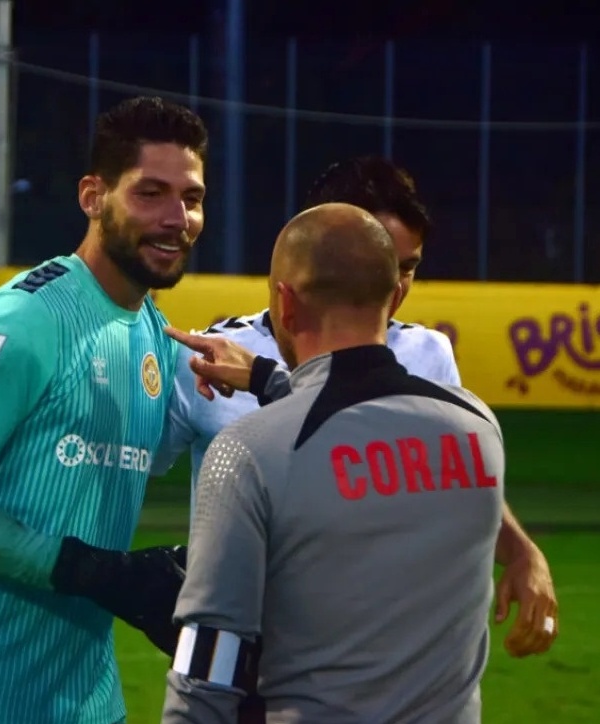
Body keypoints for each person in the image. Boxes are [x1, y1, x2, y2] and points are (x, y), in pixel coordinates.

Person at [0, 96, 207, 724]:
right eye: (151, 193)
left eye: (191, 198)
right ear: (93, 196)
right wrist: (90, 570)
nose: (177, 218)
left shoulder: (153, 335)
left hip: (87, 703)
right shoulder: (24, 318)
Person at [155, 156, 558, 661]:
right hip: (239, 656)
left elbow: (450, 475)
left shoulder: (427, 356)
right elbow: (131, 468)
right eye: (378, 261)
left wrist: (522, 551)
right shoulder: (206, 359)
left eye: (407, 267)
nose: (394, 287)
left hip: (371, 657)